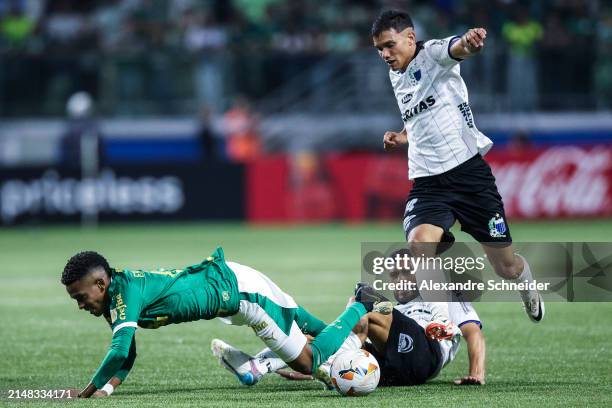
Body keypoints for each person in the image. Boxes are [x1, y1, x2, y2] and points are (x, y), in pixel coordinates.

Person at [372, 10, 544, 322]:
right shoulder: (396, 73)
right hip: (428, 183)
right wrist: (402, 135)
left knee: (505, 268)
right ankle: (440, 320)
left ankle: (524, 277)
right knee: (419, 244)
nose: (384, 54)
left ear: (410, 37)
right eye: (379, 49)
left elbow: (458, 48)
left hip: (469, 176)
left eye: (389, 45)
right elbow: (420, 116)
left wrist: (470, 42)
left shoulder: (434, 54)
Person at [60, 248, 392, 398]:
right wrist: (107, 388)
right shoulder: (118, 296)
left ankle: (361, 302)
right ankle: (358, 334)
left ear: (100, 285)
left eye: (80, 296)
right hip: (235, 283)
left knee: (307, 360)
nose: (80, 305)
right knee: (316, 329)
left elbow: (119, 350)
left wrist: (86, 392)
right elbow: (127, 353)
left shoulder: (123, 296)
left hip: (244, 294)